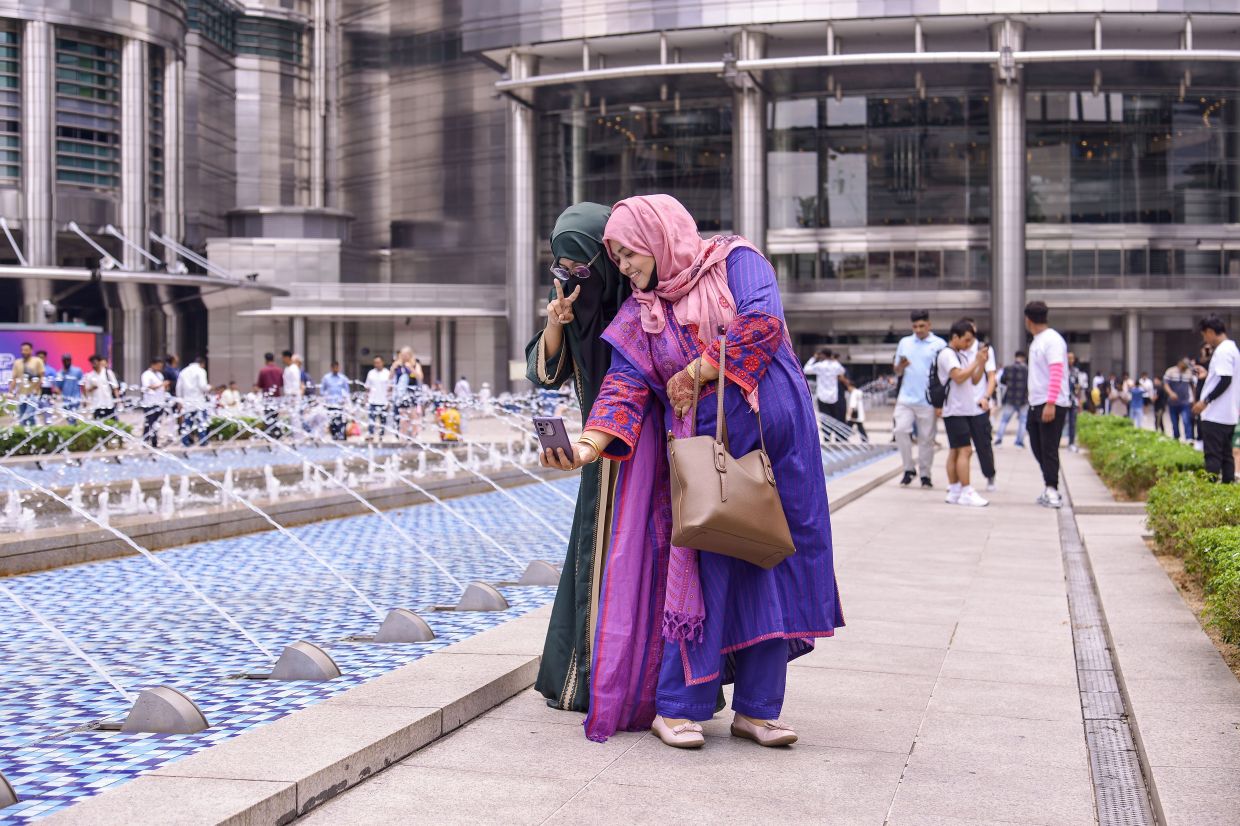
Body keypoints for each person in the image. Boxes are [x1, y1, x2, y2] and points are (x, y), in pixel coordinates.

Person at [544, 193, 842, 748]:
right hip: (704, 463)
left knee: (770, 565)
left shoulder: (735, 260)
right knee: (701, 572)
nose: (625, 267)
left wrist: (696, 371)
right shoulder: (640, 313)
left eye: (629, 252)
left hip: (779, 454)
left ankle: (758, 709)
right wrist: (586, 447)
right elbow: (624, 388)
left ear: (659, 237)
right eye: (616, 257)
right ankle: (679, 706)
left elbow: (763, 324)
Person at [525, 202, 631, 713]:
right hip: (597, 454)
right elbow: (545, 374)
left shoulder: (640, 297)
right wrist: (556, 324)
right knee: (594, 559)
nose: (569, 278)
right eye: (559, 269)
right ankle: (585, 680)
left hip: (646, 449)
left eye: (581, 269)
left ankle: (643, 685)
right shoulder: (571, 297)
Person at [937, 320, 990, 507]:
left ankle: (954, 490)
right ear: (955, 338)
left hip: (963, 409)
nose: (968, 345)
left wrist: (981, 363)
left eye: (971, 341)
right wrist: (975, 361)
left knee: (955, 450)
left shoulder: (962, 356)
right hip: (955, 410)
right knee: (965, 450)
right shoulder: (947, 354)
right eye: (966, 340)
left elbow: (974, 380)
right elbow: (958, 377)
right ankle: (966, 490)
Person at [892, 310, 946, 487]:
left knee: (926, 439)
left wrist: (941, 402)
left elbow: (943, 374)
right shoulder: (905, 343)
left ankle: (925, 474)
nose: (918, 329)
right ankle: (908, 468)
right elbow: (897, 371)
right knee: (900, 430)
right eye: (915, 326)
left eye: (922, 326)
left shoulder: (939, 344)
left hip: (928, 400)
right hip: (905, 398)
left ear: (929, 325)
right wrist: (901, 365)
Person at [1024, 301, 1070, 509]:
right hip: (1036, 402)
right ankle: (1048, 485)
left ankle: (1052, 489)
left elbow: (1057, 371)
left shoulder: (1052, 340)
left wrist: (1050, 403)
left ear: (1028, 319)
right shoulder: (1037, 341)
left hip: (1051, 402)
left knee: (1049, 448)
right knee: (1037, 445)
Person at [1192, 316, 1238, 483]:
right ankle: (1226, 497)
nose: (1205, 339)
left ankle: (1209, 495)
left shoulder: (1223, 351)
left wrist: (1205, 401)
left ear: (1211, 332)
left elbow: (1225, 380)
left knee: (1213, 458)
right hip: (1228, 415)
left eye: (1204, 335)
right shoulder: (1232, 348)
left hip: (1215, 415)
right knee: (1227, 458)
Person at [961, 325, 997, 492]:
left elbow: (991, 377)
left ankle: (990, 475)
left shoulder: (984, 350)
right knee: (960, 447)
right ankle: (961, 483)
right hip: (961, 407)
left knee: (983, 444)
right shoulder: (956, 350)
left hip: (979, 406)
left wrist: (986, 397)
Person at [803, 349, 847, 435]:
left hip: (822, 396)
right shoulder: (835, 365)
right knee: (834, 418)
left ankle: (827, 437)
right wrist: (834, 360)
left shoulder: (820, 366)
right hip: (833, 397)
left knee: (825, 419)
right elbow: (842, 371)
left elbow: (806, 369)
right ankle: (837, 437)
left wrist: (814, 358)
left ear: (822, 355)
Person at [994, 351, 1028, 447]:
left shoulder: (1008, 368)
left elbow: (1002, 381)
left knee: (1004, 420)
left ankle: (999, 440)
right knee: (1023, 421)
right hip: (1023, 398)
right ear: (1024, 358)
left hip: (1010, 397)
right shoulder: (1027, 369)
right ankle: (1019, 442)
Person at [176, 355, 211, 446]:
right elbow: (203, 386)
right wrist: (209, 388)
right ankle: (203, 441)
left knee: (187, 422)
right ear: (202, 364)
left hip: (187, 401)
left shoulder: (183, 371)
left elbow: (178, 388)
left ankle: (185, 441)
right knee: (201, 422)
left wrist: (180, 400)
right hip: (199, 400)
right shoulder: (201, 371)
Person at [8, 342, 43, 426]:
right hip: (21, 394)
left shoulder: (37, 361)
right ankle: (23, 435)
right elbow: (14, 379)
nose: (24, 352)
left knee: (29, 415)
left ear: (31, 350)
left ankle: (33, 434)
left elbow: (41, 377)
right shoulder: (17, 362)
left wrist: (36, 390)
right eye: (22, 350)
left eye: (26, 350)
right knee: (21, 417)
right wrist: (10, 391)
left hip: (33, 394)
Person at [1163, 358, 1196, 441]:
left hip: (1185, 401)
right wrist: (1171, 393)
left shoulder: (1189, 372)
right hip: (1173, 402)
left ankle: (1189, 438)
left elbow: (1193, 387)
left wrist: (1194, 399)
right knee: (1174, 421)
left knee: (1186, 420)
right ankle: (1176, 437)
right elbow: (1165, 384)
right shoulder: (1170, 371)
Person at [140, 356, 169, 447]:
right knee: (149, 423)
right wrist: (161, 385)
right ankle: (145, 441)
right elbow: (147, 387)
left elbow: (162, 388)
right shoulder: (146, 374)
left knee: (157, 424)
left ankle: (154, 442)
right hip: (150, 403)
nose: (160, 368)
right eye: (159, 366)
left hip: (160, 402)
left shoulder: (160, 375)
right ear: (153, 365)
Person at [320, 362, 350, 440]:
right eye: (334, 367)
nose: (336, 369)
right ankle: (334, 435)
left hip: (340, 403)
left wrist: (346, 400)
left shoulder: (342, 378)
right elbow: (322, 390)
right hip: (330, 403)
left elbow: (347, 391)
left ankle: (340, 434)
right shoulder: (326, 378)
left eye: (337, 367)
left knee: (340, 420)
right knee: (331, 420)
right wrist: (325, 398)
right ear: (331, 368)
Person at [83, 355, 118, 421]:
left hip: (108, 403)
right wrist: (92, 388)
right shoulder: (90, 375)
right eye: (92, 363)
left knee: (111, 423)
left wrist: (118, 400)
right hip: (97, 405)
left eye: (95, 362)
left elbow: (115, 387)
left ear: (99, 362)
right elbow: (87, 390)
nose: (94, 365)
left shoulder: (108, 373)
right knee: (99, 424)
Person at [255, 352, 283, 432]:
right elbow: (281, 383)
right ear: (273, 359)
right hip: (277, 397)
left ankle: (269, 434)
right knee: (276, 416)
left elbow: (260, 385)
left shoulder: (263, 371)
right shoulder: (279, 370)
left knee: (268, 417)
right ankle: (277, 433)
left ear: (265, 359)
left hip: (267, 398)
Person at [364, 355, 390, 440]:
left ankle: (381, 436)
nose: (377, 364)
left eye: (378, 362)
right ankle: (371, 435)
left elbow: (390, 388)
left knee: (383, 420)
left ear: (382, 362)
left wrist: (389, 401)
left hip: (383, 401)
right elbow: (367, 387)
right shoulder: (371, 373)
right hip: (373, 401)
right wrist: (366, 399)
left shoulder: (387, 373)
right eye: (375, 363)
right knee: (371, 420)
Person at [53, 353, 84, 421]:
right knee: (69, 418)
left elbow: (82, 384)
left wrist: (84, 397)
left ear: (70, 360)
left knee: (73, 418)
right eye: (65, 360)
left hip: (76, 399)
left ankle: (74, 430)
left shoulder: (77, 371)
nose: (67, 362)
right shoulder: (60, 373)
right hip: (65, 400)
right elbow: (58, 387)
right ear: (62, 361)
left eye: (68, 360)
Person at [1066, 352, 1085, 452]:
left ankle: (1071, 443)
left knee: (1072, 422)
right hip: (1062, 400)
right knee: (1059, 423)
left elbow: (1078, 387)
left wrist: (1079, 401)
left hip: (1073, 400)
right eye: (1068, 358)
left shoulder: (1076, 371)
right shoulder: (1061, 369)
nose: (1070, 360)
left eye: (1072, 358)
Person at [845, 378, 868, 442]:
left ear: (850, 386)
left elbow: (852, 405)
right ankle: (865, 439)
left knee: (848, 427)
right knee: (859, 427)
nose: (848, 389)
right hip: (859, 414)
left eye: (848, 387)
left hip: (854, 415)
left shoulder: (853, 393)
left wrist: (848, 415)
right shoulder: (859, 392)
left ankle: (844, 437)